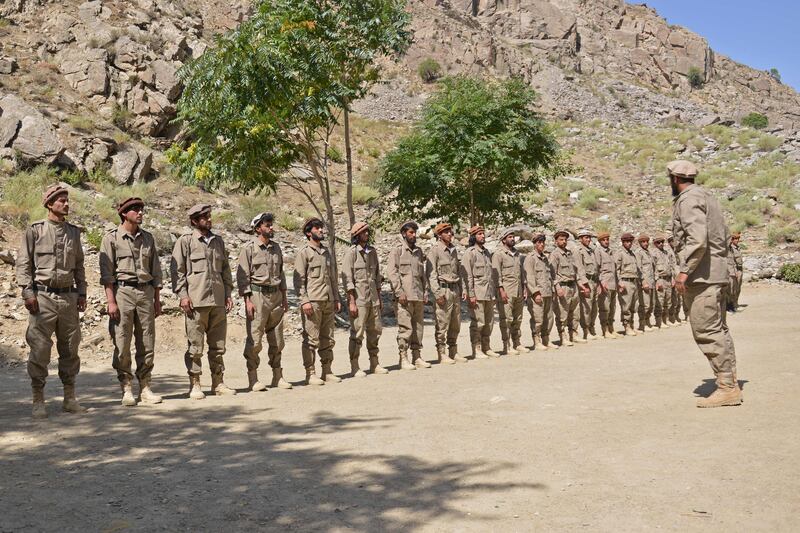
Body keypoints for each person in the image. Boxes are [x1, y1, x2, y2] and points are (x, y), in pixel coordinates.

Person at [669, 159, 741, 407]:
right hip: (717, 274)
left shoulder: (688, 200)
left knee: (707, 331)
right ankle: (729, 379)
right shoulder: (707, 197)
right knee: (719, 329)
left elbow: (697, 239)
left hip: (702, 277)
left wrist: (683, 272)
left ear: (675, 179)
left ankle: (727, 387)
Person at [17, 185, 88, 418]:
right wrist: (28, 293)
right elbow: (24, 264)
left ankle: (70, 398)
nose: (66, 204)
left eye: (67, 200)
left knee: (70, 348)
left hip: (68, 297)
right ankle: (38, 399)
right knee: (39, 348)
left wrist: (82, 293)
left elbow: (79, 266)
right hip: (43, 297)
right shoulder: (35, 230)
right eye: (61, 201)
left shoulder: (74, 232)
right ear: (49, 204)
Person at [99, 197, 163, 407]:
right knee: (122, 341)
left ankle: (145, 387)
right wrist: (111, 301)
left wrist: (157, 300)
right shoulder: (111, 238)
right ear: (124, 213)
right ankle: (126, 387)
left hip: (145, 292)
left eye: (141, 209)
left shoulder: (148, 238)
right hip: (122, 292)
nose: (140, 213)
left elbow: (155, 271)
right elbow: (107, 275)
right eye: (135, 210)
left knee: (147, 341)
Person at [172, 204, 236, 399]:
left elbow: (225, 270)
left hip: (217, 301)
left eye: (209, 216)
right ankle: (195, 383)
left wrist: (227, 294)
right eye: (205, 217)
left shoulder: (218, 242)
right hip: (196, 302)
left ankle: (218, 383)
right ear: (194, 221)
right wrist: (183, 295)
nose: (209, 219)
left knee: (218, 346)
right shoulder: (185, 242)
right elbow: (178, 271)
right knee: (195, 346)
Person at [237, 212, 291, 392]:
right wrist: (248, 301)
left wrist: (284, 297)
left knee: (277, 339)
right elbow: (243, 277)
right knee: (255, 339)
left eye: (271, 224)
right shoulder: (249, 249)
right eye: (267, 225)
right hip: (257, 296)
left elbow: (281, 273)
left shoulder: (276, 248)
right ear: (258, 228)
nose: (271, 227)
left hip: (275, 296)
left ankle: (278, 376)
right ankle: (253, 378)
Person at [293, 217, 341, 385]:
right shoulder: (304, 252)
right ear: (308, 232)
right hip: (313, 302)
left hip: (327, 300)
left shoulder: (326, 252)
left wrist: (336, 297)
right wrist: (304, 301)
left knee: (328, 338)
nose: (321, 230)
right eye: (317, 228)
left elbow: (332, 277)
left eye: (321, 228)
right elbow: (299, 280)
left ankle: (327, 371)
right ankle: (310, 373)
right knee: (311, 339)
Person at [341, 221, 388, 377]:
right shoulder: (352, 253)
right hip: (359, 300)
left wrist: (379, 299)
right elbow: (348, 280)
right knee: (357, 333)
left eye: (367, 231)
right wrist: (351, 302)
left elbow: (376, 278)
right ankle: (355, 366)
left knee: (375, 332)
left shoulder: (372, 252)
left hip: (373, 299)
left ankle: (374, 363)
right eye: (363, 232)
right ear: (356, 235)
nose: (366, 234)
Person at [426, 222, 464, 365]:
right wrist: (437, 293)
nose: (450, 234)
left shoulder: (453, 250)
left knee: (456, 322)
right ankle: (442, 353)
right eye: (447, 232)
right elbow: (431, 274)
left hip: (454, 289)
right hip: (443, 289)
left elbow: (457, 271)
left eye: (451, 231)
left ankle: (453, 351)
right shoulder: (435, 251)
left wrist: (461, 289)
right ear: (440, 234)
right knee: (442, 323)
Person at [550, 229, 590, 347]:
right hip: (563, 286)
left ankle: (574, 334)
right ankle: (563, 336)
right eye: (561, 240)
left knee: (575, 312)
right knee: (563, 313)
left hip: (573, 286)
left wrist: (581, 284)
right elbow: (552, 274)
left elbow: (575, 271)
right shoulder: (555, 255)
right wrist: (557, 288)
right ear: (556, 241)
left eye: (565, 239)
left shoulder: (569, 253)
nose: (564, 242)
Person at [463, 225, 498, 358]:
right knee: (478, 322)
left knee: (489, 322)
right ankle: (476, 348)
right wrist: (471, 295)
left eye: (483, 234)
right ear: (473, 237)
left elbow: (490, 276)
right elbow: (468, 276)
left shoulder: (487, 253)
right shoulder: (470, 253)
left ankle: (486, 346)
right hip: (477, 293)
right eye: (479, 234)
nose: (482, 236)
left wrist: (493, 293)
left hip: (488, 293)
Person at [492, 228, 528, 354]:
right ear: (503, 240)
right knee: (506, 319)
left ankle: (517, 342)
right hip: (506, 291)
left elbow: (521, 273)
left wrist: (524, 288)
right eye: (510, 237)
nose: (513, 239)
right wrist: (500, 290)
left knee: (517, 318)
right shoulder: (498, 254)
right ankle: (506, 345)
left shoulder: (517, 254)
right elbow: (497, 275)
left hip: (518, 290)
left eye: (513, 237)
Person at [524, 233, 556, 350]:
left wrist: (552, 290)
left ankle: (546, 339)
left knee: (549, 318)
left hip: (547, 292)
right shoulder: (530, 258)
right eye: (539, 242)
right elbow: (530, 277)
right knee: (538, 319)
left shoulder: (545, 258)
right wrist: (535, 293)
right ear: (534, 244)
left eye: (543, 242)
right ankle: (536, 341)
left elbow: (549, 276)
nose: (541, 244)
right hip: (537, 294)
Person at [576, 229, 600, 341]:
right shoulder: (579, 251)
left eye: (589, 237)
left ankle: (592, 328)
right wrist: (584, 285)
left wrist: (598, 282)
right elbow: (579, 269)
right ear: (580, 239)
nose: (588, 239)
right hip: (587, 282)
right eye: (586, 237)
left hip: (594, 281)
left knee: (594, 307)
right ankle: (585, 331)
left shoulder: (591, 251)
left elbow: (596, 268)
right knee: (586, 307)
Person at [615, 232, 640, 336]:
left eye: (630, 241)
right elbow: (616, 269)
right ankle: (627, 326)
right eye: (627, 241)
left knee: (634, 305)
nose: (629, 243)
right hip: (625, 282)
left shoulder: (632, 254)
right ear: (623, 242)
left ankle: (632, 324)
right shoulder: (620, 253)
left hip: (634, 281)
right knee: (626, 305)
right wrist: (619, 283)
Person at [596, 231, 619, 339]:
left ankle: (611, 328)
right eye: (603, 240)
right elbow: (597, 269)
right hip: (605, 284)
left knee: (612, 307)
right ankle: (604, 330)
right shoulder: (598, 252)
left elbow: (615, 270)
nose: (606, 241)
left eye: (607, 239)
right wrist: (600, 283)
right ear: (600, 241)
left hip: (613, 283)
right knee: (604, 308)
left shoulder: (611, 252)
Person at [650, 234, 673, 329]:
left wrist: (672, 278)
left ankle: (666, 319)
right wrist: (657, 281)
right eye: (658, 242)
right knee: (660, 300)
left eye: (662, 242)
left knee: (668, 301)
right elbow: (653, 268)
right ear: (655, 244)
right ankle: (659, 321)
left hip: (668, 279)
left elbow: (671, 266)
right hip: (660, 279)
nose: (660, 244)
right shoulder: (653, 253)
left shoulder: (666, 253)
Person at [635, 234, 655, 332]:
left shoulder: (649, 253)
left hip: (651, 282)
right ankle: (642, 324)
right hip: (645, 282)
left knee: (651, 304)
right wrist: (643, 282)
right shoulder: (639, 253)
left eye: (647, 241)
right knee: (644, 304)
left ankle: (647, 321)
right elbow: (639, 269)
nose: (645, 243)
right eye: (643, 242)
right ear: (639, 243)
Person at [666, 236, 684, 325]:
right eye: (674, 241)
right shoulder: (668, 252)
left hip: (677, 276)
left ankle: (675, 316)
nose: (676, 243)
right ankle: (670, 317)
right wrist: (673, 278)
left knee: (677, 298)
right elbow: (670, 266)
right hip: (672, 277)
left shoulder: (676, 251)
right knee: (671, 299)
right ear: (670, 242)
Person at [728, 232, 744, 311]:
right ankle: (730, 306)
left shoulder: (737, 248)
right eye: (735, 239)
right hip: (734, 270)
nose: (737, 240)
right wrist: (735, 272)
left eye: (738, 239)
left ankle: (735, 304)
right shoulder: (730, 248)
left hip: (739, 269)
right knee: (732, 289)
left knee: (738, 288)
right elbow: (731, 261)